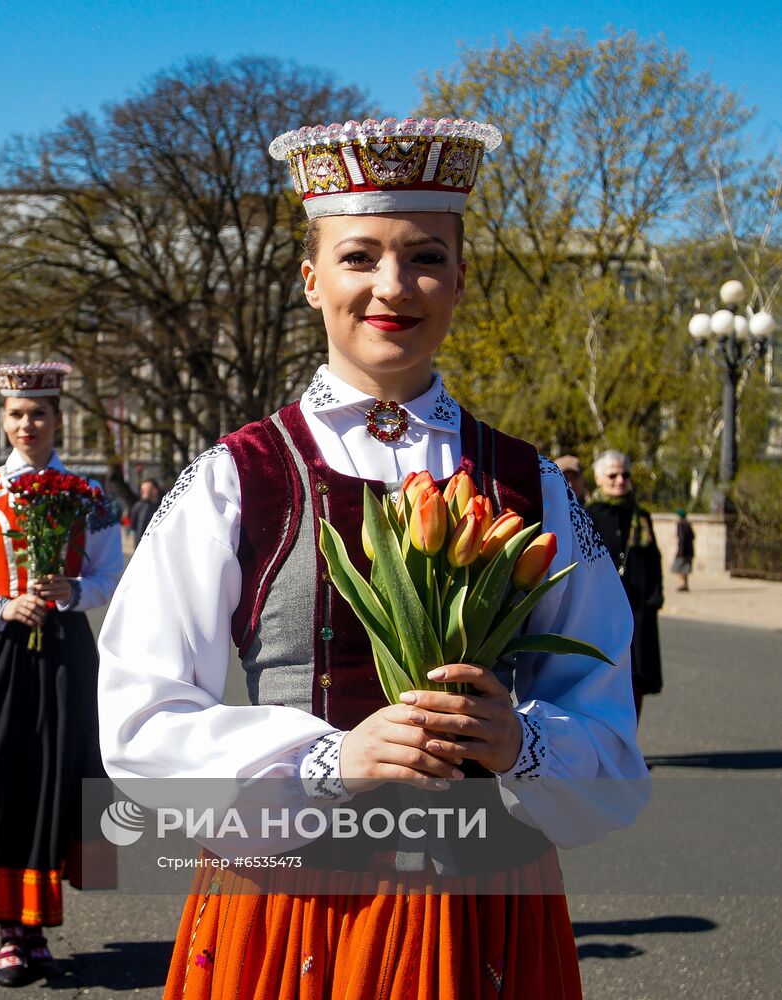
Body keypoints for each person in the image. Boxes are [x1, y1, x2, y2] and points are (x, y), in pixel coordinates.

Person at [98, 116, 647, 1000]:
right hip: (297, 902)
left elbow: (605, 708)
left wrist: (524, 741)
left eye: (426, 256)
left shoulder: (529, 480)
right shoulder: (236, 478)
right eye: (359, 257)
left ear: (462, 280)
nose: (393, 285)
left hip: (485, 896)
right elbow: (140, 721)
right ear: (312, 280)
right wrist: (329, 763)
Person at [0, 362, 124, 987]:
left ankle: (34, 924)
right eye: (16, 413)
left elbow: (112, 577)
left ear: (57, 419)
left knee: (56, 776)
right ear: (2, 419)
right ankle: (12, 931)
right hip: (0, 649)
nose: (26, 424)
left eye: (38, 413)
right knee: (1, 775)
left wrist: (72, 591)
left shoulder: (89, 496)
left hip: (65, 650)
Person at [586, 450, 663, 722]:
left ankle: (631, 741)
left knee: (635, 678)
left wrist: (655, 598)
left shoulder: (640, 517)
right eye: (612, 475)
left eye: (625, 474)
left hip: (639, 609)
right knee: (602, 677)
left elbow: (653, 559)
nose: (620, 480)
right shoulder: (586, 516)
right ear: (598, 478)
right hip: (602, 612)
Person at [128, 478, 161, 546]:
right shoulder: (138, 507)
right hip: (141, 546)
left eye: (147, 489)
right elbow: (134, 526)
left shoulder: (163, 506)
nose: (143, 491)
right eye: (142, 489)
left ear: (155, 490)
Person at [672, 509, 695, 592]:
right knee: (686, 568)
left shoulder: (680, 524)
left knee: (680, 567)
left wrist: (680, 550)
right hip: (690, 550)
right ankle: (685, 584)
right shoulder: (688, 524)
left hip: (683, 550)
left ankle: (682, 584)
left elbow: (681, 538)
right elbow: (693, 536)